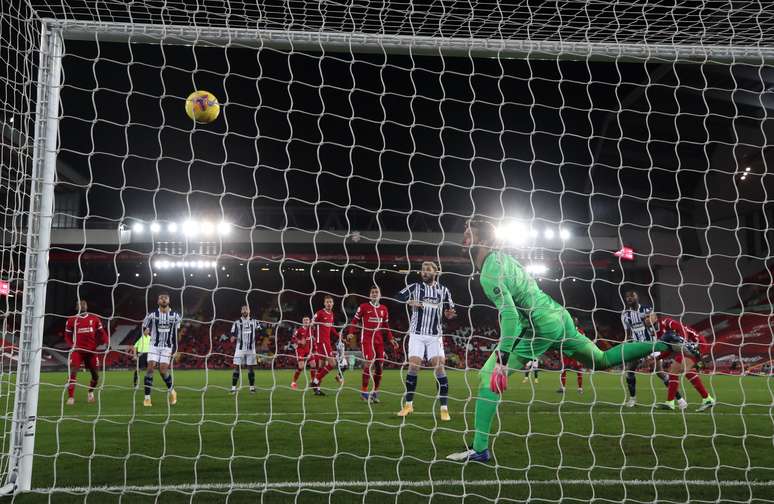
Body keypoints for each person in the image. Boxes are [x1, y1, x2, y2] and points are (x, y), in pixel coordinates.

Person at [446, 217, 702, 463]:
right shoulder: (503, 259)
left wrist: (502, 358)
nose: (464, 236)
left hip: (539, 325)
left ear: (479, 239)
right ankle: (665, 342)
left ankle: (479, 449)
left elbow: (511, 316)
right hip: (558, 315)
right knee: (600, 360)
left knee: (487, 378)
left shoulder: (490, 271)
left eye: (468, 232)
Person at [395, 261, 456, 421]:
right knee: (414, 366)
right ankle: (408, 405)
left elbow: (450, 310)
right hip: (417, 333)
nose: (424, 272)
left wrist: (450, 314)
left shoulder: (443, 290)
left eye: (428, 270)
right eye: (423, 270)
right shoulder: (415, 287)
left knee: (439, 367)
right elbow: (397, 297)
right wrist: (409, 302)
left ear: (435, 272)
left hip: (435, 335)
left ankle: (444, 408)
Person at [621, 291, 685, 408]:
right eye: (627, 297)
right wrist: (627, 344)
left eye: (632, 296)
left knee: (660, 373)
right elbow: (628, 333)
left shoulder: (647, 309)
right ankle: (632, 399)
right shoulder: (625, 314)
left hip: (651, 344)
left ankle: (680, 400)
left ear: (637, 297)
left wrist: (649, 322)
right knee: (629, 371)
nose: (629, 298)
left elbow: (656, 326)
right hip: (636, 346)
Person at [644, 312, 715, 412]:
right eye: (645, 318)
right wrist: (656, 358)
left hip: (696, 343)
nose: (646, 319)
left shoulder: (666, 321)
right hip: (685, 348)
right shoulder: (658, 334)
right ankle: (672, 402)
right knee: (676, 371)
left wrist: (684, 343)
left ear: (655, 317)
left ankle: (706, 399)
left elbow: (681, 328)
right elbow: (669, 349)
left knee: (678, 369)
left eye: (648, 316)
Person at [348, 286, 399, 403]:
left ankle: (375, 392)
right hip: (366, 340)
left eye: (377, 292)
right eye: (372, 292)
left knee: (379, 367)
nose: (374, 294)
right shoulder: (363, 307)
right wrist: (351, 332)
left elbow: (386, 326)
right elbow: (354, 321)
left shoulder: (384, 309)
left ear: (380, 294)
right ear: (369, 295)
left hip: (379, 341)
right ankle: (364, 391)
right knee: (369, 363)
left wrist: (391, 339)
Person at [64, 299, 109, 405]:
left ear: (87, 306)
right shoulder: (71, 320)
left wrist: (106, 342)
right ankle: (71, 397)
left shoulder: (94, 319)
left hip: (92, 351)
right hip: (78, 351)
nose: (82, 305)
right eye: (80, 304)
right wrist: (72, 346)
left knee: (95, 375)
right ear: (76, 307)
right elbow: (67, 336)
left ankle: (90, 392)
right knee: (73, 372)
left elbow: (102, 333)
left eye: (84, 304)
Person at [141, 292, 182, 407]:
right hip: (153, 345)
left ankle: (172, 391)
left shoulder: (175, 316)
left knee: (163, 370)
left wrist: (176, 349)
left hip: (167, 347)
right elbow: (145, 326)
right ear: (158, 301)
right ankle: (147, 398)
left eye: (166, 298)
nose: (163, 300)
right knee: (150, 368)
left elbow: (176, 333)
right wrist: (146, 330)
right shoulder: (152, 314)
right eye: (161, 298)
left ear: (169, 300)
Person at [310, 296, 343, 395]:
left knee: (321, 366)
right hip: (322, 342)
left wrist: (339, 336)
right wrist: (312, 336)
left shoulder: (331, 314)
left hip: (326, 342)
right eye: (327, 302)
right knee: (332, 364)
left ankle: (317, 390)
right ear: (324, 303)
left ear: (333, 303)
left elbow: (331, 328)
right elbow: (312, 324)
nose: (329, 304)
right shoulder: (320, 313)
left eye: (330, 302)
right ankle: (315, 381)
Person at [228, 305, 261, 394]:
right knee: (236, 368)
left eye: (246, 309)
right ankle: (233, 388)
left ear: (249, 311)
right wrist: (232, 337)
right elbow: (232, 333)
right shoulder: (237, 322)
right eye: (243, 309)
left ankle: (252, 388)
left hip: (251, 349)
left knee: (250, 369)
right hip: (240, 349)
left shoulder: (254, 321)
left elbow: (261, 330)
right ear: (241, 311)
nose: (245, 310)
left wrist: (259, 337)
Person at [556, 317, 587, 394]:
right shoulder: (566, 331)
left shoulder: (580, 331)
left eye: (574, 322)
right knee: (563, 370)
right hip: (567, 353)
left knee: (578, 370)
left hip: (576, 353)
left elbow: (583, 342)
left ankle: (580, 388)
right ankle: (563, 388)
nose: (573, 323)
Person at [291, 316, 314, 390]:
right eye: (304, 320)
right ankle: (293, 382)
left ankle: (313, 381)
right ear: (302, 322)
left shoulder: (311, 330)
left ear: (309, 321)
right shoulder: (299, 330)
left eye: (307, 320)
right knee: (301, 367)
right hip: (300, 350)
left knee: (313, 364)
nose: (306, 321)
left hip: (308, 349)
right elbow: (293, 338)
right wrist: (299, 341)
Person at [129, 324, 150, 390]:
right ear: (143, 331)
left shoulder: (150, 338)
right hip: (141, 354)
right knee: (138, 370)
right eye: (147, 330)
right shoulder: (140, 337)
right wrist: (135, 355)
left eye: (148, 330)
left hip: (148, 355)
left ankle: (147, 384)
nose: (148, 331)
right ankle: (136, 385)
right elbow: (135, 347)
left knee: (149, 370)